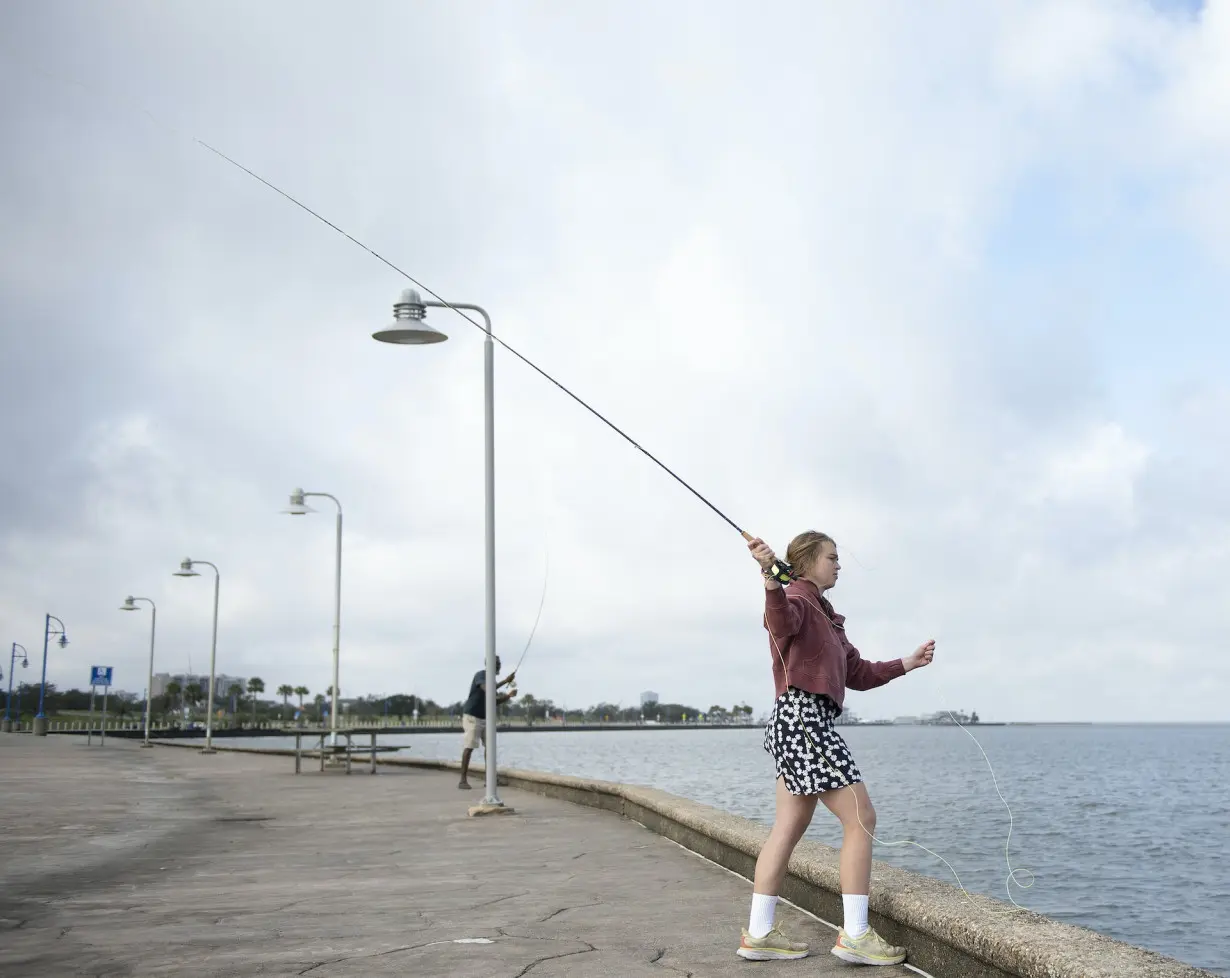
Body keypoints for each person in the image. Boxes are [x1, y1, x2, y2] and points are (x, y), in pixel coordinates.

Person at [738, 531, 935, 966]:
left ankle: (758, 933)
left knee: (787, 829)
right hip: (804, 721)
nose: (839, 565)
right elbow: (778, 620)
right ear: (807, 562)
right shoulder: (796, 599)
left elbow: (858, 672)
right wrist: (770, 575)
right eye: (832, 558)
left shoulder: (828, 618)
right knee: (862, 817)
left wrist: (908, 662)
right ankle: (857, 935)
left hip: (800, 724)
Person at [458, 655, 517, 789]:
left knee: (490, 748)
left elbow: (494, 701)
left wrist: (508, 696)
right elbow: (487, 689)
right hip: (472, 717)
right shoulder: (481, 675)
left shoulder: (491, 681)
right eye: (497, 664)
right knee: (469, 747)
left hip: (486, 718)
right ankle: (462, 780)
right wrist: (505, 681)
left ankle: (490, 780)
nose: (499, 666)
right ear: (490, 665)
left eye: (499, 664)